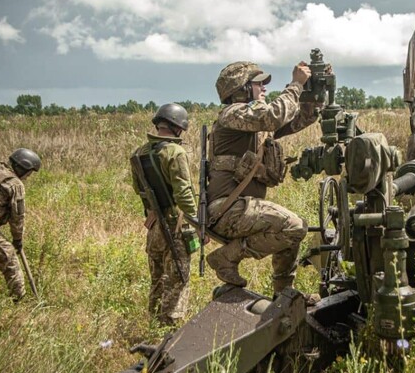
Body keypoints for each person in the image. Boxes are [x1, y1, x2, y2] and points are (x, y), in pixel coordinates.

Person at [206, 60, 320, 297]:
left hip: (240, 210)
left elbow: (299, 119)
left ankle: (284, 295)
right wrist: (296, 85)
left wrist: (315, 92)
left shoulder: (253, 124)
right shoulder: (233, 115)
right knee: (294, 227)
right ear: (241, 89)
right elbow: (274, 115)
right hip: (227, 211)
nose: (265, 89)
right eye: (259, 84)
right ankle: (226, 257)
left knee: (291, 234)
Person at [131, 103, 198, 326]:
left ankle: (154, 323)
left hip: (154, 225)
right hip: (176, 226)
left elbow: (139, 190)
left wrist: (151, 212)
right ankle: (170, 328)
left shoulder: (139, 153)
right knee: (178, 278)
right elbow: (184, 192)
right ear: (178, 127)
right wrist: (197, 223)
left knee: (157, 279)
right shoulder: (175, 152)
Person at [0, 148, 41, 301]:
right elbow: (17, 217)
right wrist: (17, 240)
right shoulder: (15, 184)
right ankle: (19, 300)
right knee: (10, 258)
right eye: (29, 173)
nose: (28, 177)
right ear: (23, 167)